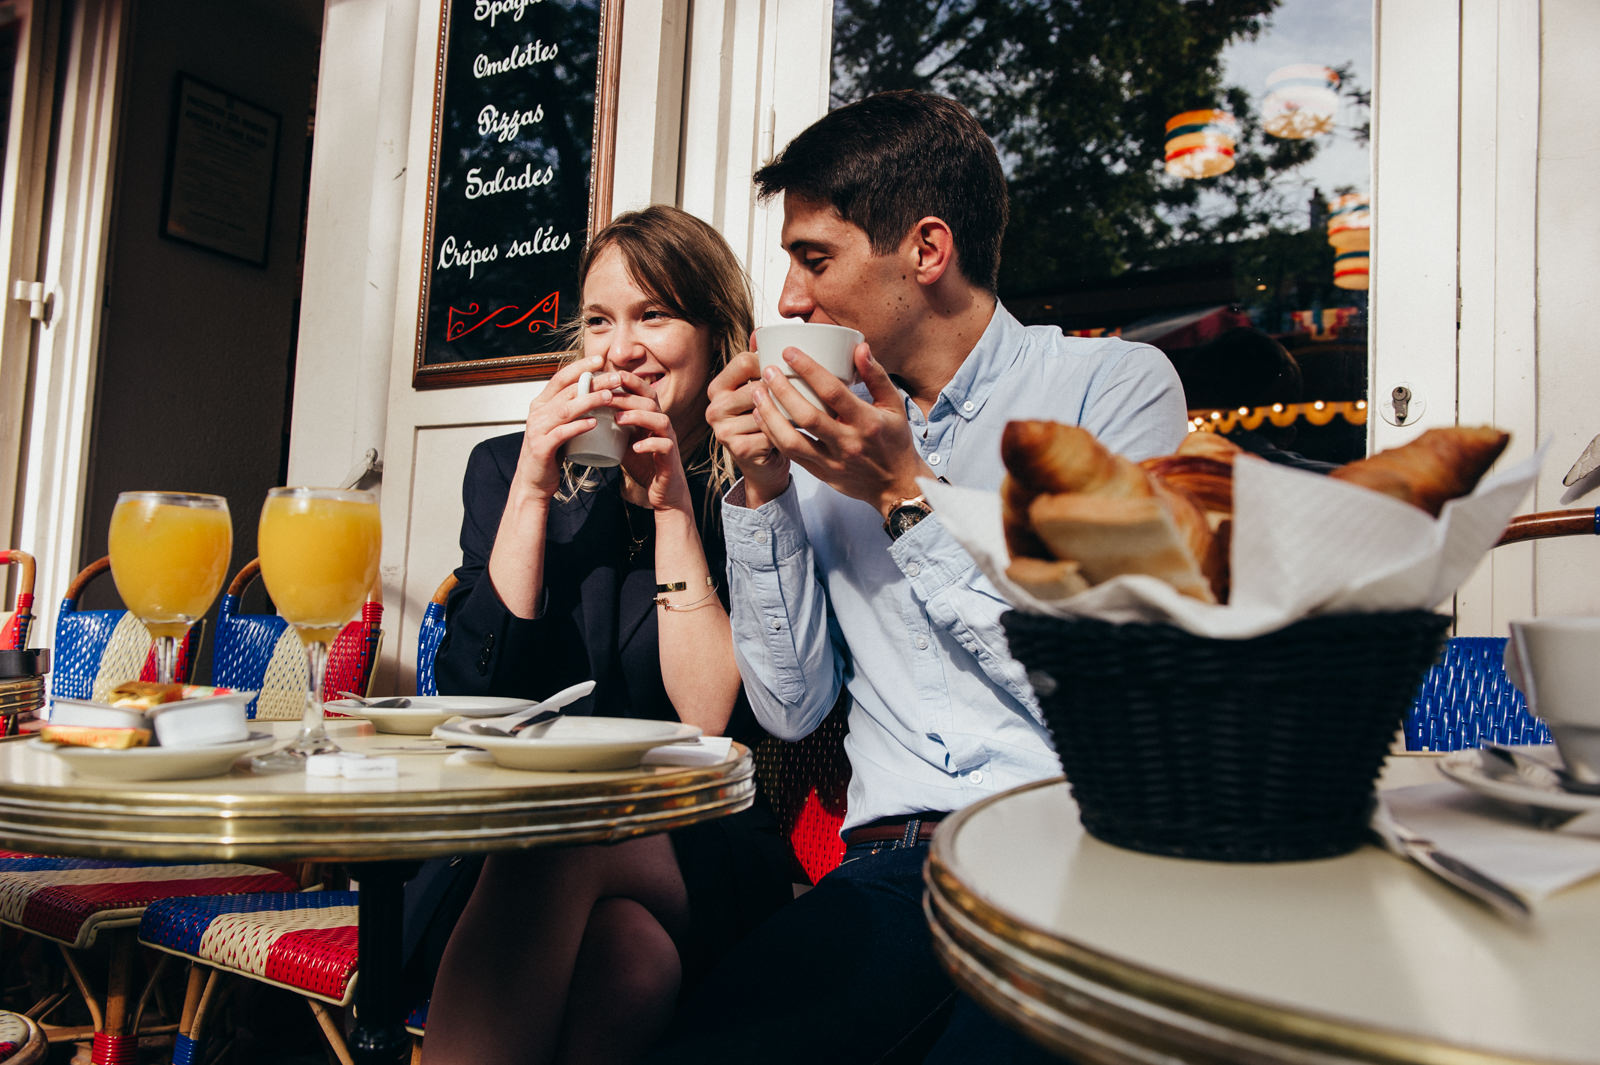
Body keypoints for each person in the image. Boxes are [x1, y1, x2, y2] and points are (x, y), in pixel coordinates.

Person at [647, 91, 1188, 1063]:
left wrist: (906, 494)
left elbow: (1110, 690)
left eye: (813, 258)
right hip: (891, 875)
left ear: (925, 251)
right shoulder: (817, 443)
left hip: (1079, 860)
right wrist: (761, 493)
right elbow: (787, 705)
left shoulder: (1112, 391)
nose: (784, 303)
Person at [422, 205, 791, 1065]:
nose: (619, 348)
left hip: (696, 827)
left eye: (652, 314)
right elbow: (479, 700)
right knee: (629, 960)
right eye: (599, 320)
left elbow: (707, 719)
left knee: (564, 837)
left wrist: (666, 501)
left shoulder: (748, 488)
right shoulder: (508, 470)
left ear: (714, 334)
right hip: (524, 831)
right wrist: (530, 487)